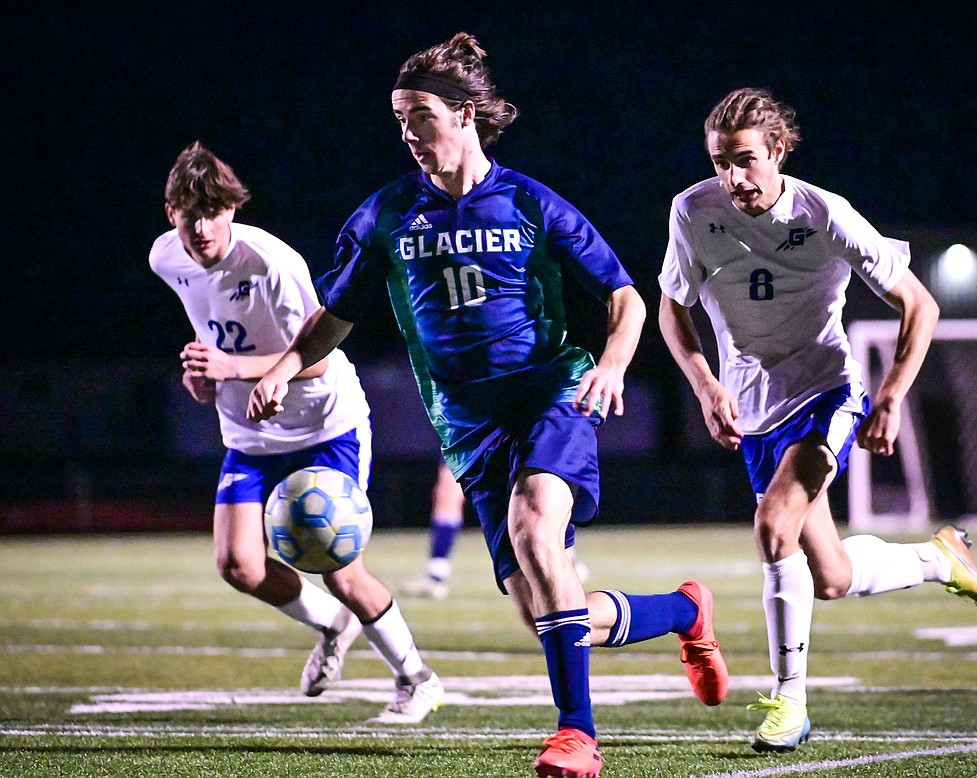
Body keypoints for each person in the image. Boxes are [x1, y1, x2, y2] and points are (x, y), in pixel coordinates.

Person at [247, 33, 727, 778]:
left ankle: (578, 736)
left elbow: (627, 298)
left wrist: (611, 365)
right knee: (550, 618)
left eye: (421, 116)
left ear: (466, 115)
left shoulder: (532, 203)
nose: (408, 133)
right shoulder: (384, 215)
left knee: (536, 529)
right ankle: (685, 612)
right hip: (469, 430)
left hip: (551, 396)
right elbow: (335, 314)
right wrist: (283, 366)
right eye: (399, 119)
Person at [658, 87, 977, 754]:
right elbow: (673, 305)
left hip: (826, 392)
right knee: (834, 577)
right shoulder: (692, 210)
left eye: (743, 160)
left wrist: (894, 395)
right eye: (718, 162)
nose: (731, 177)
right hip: (753, 406)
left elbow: (920, 305)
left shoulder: (826, 213)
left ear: (778, 151)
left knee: (773, 525)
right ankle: (940, 560)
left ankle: (789, 701)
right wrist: (705, 385)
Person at [149, 141, 443, 724]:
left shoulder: (272, 264)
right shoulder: (165, 258)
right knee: (239, 566)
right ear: (170, 213)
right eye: (190, 214)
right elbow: (219, 336)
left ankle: (418, 680)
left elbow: (318, 359)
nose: (202, 227)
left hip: (323, 426)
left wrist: (233, 368)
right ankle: (332, 625)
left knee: (339, 568)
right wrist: (206, 380)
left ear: (233, 210)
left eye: (213, 212)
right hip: (250, 435)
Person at [398, 458, 590, 600]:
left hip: (505, 416)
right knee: (448, 487)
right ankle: (436, 574)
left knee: (534, 489)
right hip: (471, 421)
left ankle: (566, 557)